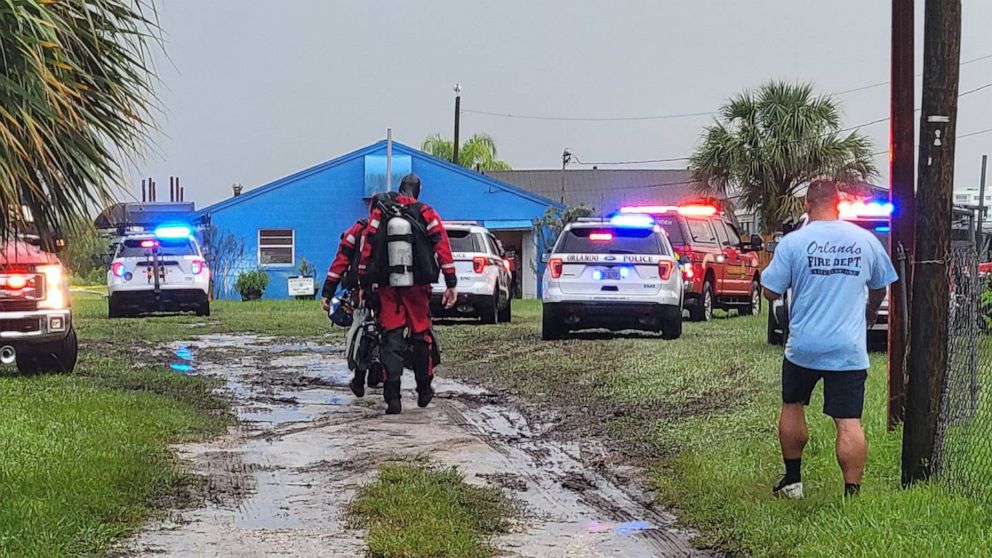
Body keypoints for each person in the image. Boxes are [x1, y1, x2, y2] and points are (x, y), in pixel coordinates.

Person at [761, 179, 898, 499]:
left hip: (804, 346)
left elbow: (770, 290)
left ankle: (793, 481)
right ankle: (852, 493)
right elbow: (881, 284)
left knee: (792, 406)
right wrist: (871, 311)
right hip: (848, 347)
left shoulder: (794, 243)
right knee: (849, 421)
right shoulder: (865, 241)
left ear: (807, 205)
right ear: (837, 204)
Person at [359, 173, 457, 415]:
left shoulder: (381, 212)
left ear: (400, 189)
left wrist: (363, 279)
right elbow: (441, 244)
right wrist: (451, 281)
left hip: (388, 285)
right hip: (417, 287)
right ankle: (424, 388)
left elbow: (368, 244)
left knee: (391, 335)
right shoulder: (425, 212)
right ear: (418, 190)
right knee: (420, 333)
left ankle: (393, 396)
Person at [321, 214, 377, 396]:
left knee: (362, 330)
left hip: (362, 291)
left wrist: (327, 293)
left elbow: (340, 262)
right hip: (396, 294)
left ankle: (360, 377)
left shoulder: (358, 231)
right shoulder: (404, 228)